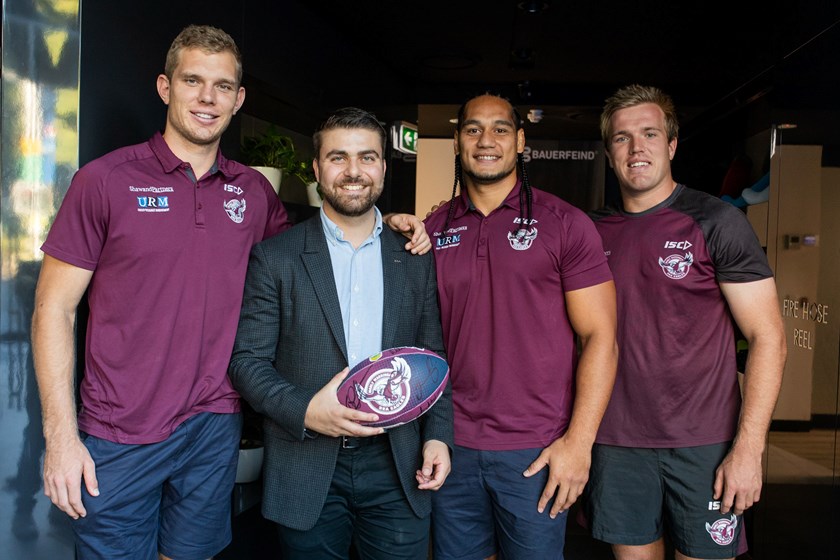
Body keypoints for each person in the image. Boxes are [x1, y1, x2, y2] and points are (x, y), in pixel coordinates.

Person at [31, 25, 429, 560]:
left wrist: (384, 225)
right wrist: (61, 438)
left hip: (213, 427)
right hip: (120, 431)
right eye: (192, 80)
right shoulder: (105, 181)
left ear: (239, 99)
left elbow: (311, 258)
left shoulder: (254, 193)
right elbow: (53, 308)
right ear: (164, 86)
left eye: (222, 86)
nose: (207, 97)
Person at [227, 107, 453, 560]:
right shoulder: (276, 258)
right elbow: (246, 362)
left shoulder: (413, 256)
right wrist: (308, 410)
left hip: (399, 464)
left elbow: (434, 355)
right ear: (316, 168)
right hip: (305, 464)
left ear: (384, 168)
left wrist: (438, 436)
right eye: (338, 158)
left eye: (367, 157)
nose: (354, 172)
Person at [584, 84, 787, 560]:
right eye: (622, 137)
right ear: (609, 151)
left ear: (671, 145)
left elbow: (768, 338)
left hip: (706, 442)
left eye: (650, 134)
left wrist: (749, 448)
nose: (637, 148)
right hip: (616, 441)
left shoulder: (716, 221)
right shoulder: (588, 233)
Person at [424, 93, 619, 560]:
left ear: (520, 141)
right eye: (472, 129)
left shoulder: (564, 224)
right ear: (457, 141)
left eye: (500, 129)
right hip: (452, 445)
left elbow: (601, 338)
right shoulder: (432, 229)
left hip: (536, 450)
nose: (485, 140)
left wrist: (578, 444)